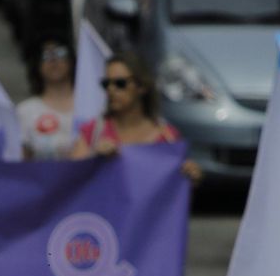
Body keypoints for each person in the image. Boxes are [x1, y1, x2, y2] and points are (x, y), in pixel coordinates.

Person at [70, 54, 201, 182]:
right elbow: (69, 181)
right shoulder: (93, 132)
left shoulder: (167, 137)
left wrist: (190, 175)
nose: (111, 89)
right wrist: (95, 159)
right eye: (106, 83)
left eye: (120, 83)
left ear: (142, 86)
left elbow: (176, 190)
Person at [14, 35, 79, 162]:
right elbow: (20, 162)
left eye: (60, 53)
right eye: (46, 55)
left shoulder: (92, 105)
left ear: (71, 60)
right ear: (37, 65)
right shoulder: (25, 110)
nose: (53, 60)